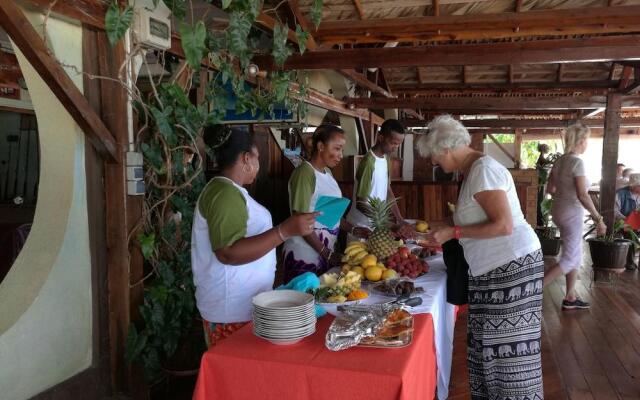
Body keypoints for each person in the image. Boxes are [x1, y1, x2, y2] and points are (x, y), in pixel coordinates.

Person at [417, 115, 543, 400]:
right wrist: (442, 225)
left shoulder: (483, 169)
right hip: (494, 270)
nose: (435, 163)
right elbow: (476, 217)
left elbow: (504, 225)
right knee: (487, 346)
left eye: (434, 157)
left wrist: (454, 232)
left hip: (512, 268)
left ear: (445, 148)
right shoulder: (474, 170)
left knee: (508, 356)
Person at [191, 126, 318, 347]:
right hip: (231, 311)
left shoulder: (229, 191)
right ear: (245, 158)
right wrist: (284, 231)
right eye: (257, 157)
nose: (258, 165)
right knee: (236, 375)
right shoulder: (224, 194)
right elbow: (228, 252)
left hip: (241, 306)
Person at [283, 125, 360, 282]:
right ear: (320, 146)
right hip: (304, 255)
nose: (340, 155)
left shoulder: (328, 173)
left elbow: (330, 216)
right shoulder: (305, 173)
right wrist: (326, 253)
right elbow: (300, 220)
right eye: (337, 149)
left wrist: (354, 229)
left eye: (342, 150)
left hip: (323, 253)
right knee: (304, 301)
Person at [544, 122, 606, 309]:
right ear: (581, 141)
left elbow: (550, 189)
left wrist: (563, 198)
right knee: (570, 258)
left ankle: (570, 297)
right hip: (572, 213)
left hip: (558, 210)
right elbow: (582, 195)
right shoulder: (577, 163)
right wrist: (598, 218)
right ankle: (532, 289)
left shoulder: (560, 161)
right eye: (587, 140)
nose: (587, 143)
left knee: (574, 254)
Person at [346, 119, 412, 236]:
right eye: (393, 143)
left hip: (377, 226)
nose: (396, 147)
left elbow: (387, 190)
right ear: (380, 137)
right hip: (361, 227)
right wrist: (388, 223)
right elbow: (361, 203)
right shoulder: (368, 163)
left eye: (398, 144)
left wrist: (400, 219)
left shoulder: (386, 158)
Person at [614, 173, 640, 270]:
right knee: (631, 234)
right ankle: (629, 262)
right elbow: (614, 212)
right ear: (634, 186)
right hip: (621, 222)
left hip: (636, 223)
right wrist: (627, 220)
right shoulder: (620, 194)